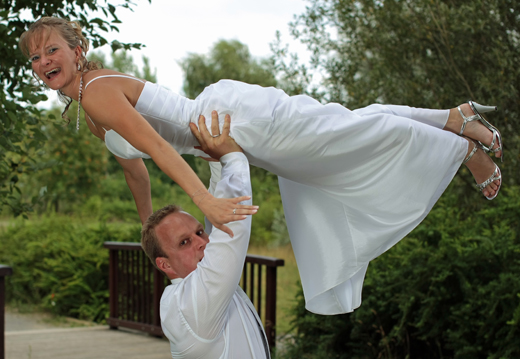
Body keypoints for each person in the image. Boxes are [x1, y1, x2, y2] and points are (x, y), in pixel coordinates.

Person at [20, 17, 503, 314]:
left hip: (232, 122)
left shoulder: (98, 93)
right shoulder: (89, 105)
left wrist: (204, 199)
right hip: (228, 136)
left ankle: (461, 147)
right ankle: (454, 118)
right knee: (346, 128)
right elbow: (136, 167)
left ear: (77, 50)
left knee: (349, 136)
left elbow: (163, 150)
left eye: (52, 50)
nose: (44, 62)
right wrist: (148, 227)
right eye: (35, 58)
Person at [141, 115, 270, 358]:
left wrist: (215, 160)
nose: (203, 242)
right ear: (165, 264)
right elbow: (230, 230)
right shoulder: (190, 304)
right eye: (184, 242)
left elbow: (216, 219)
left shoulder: (196, 286)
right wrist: (232, 157)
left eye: (199, 232)